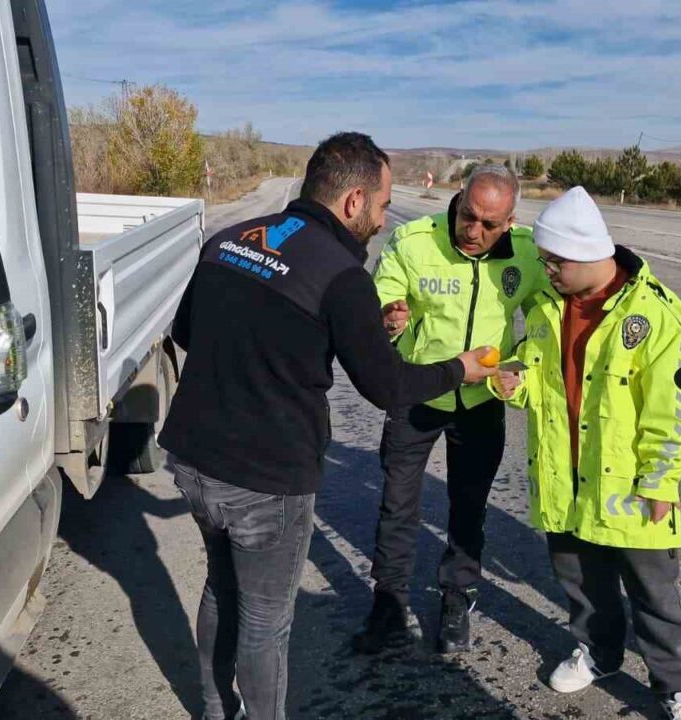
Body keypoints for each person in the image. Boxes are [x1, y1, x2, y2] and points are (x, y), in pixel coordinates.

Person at [158, 132, 498, 720]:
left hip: (193, 460)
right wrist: (460, 368)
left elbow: (187, 333)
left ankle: (217, 711)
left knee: (221, 590)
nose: (384, 218)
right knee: (265, 623)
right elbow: (389, 387)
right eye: (383, 205)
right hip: (267, 476)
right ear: (353, 201)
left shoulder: (230, 239)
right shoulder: (341, 274)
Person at [494, 187, 681, 720]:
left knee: (654, 598)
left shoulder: (657, 316)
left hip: (631, 487)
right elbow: (542, 373)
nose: (545, 270)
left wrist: (660, 480)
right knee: (582, 584)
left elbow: (675, 411)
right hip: (564, 476)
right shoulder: (549, 306)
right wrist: (513, 382)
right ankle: (600, 654)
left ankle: (676, 688)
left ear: (587, 253)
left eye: (553, 261)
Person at [352, 164, 544, 654]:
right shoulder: (415, 241)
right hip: (416, 393)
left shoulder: (526, 254)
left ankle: (456, 596)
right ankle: (388, 605)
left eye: (489, 224)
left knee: (469, 506)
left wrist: (524, 361)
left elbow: (551, 316)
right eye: (467, 216)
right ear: (457, 199)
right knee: (398, 505)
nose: (473, 231)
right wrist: (388, 317)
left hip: (480, 403)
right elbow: (382, 296)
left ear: (511, 221)